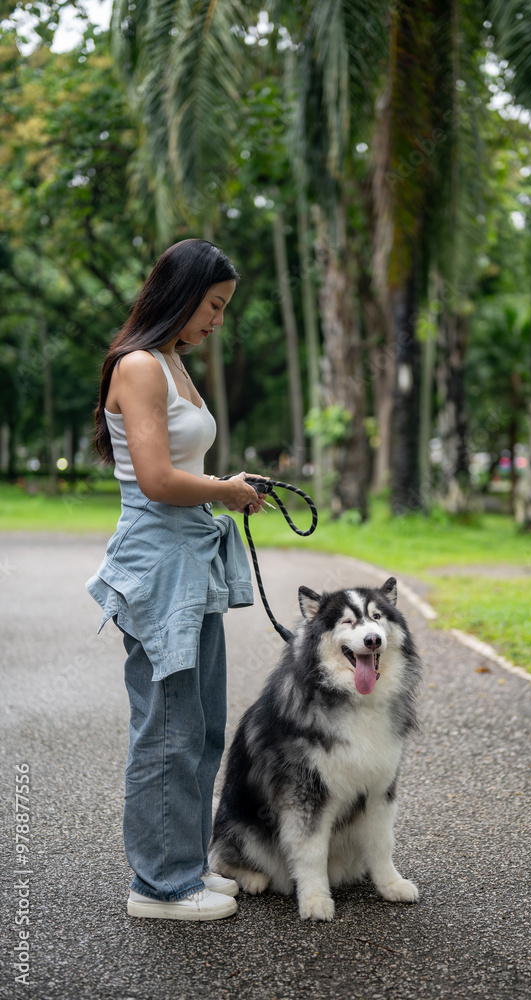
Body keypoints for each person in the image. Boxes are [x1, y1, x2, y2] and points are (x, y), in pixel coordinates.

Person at [86, 238, 266, 921]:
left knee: (200, 727)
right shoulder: (138, 365)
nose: (217, 320)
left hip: (193, 560)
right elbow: (158, 481)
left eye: (223, 309)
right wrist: (224, 489)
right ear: (181, 293)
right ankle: (159, 887)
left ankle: (185, 866)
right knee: (166, 730)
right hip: (159, 565)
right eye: (213, 305)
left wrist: (225, 489)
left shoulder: (171, 362)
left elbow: (181, 466)